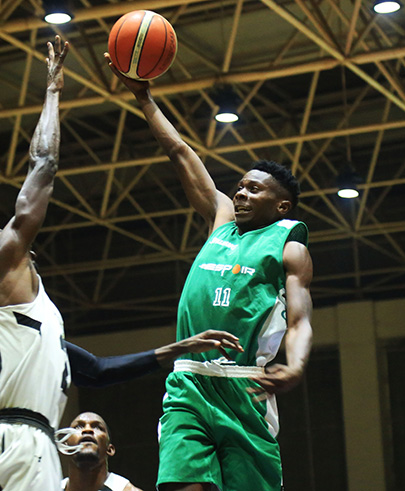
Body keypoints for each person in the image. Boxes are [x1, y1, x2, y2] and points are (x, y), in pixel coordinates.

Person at [0, 36, 244, 491]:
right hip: (18, 440)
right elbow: (43, 166)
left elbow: (100, 371)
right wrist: (52, 92)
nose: (16, 236)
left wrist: (179, 348)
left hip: (19, 441)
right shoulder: (3, 277)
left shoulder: (31, 326)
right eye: (3, 234)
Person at [105, 54, 315, 491]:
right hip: (189, 381)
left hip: (245, 388)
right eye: (239, 185)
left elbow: (300, 321)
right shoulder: (220, 219)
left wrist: (294, 366)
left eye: (253, 188)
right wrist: (144, 98)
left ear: (282, 207)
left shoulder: (289, 247)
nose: (239, 192)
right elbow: (180, 153)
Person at [59, 412, 142, 491]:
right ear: (66, 447)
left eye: (98, 427)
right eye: (78, 427)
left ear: (109, 449)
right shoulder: (51, 487)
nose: (87, 430)